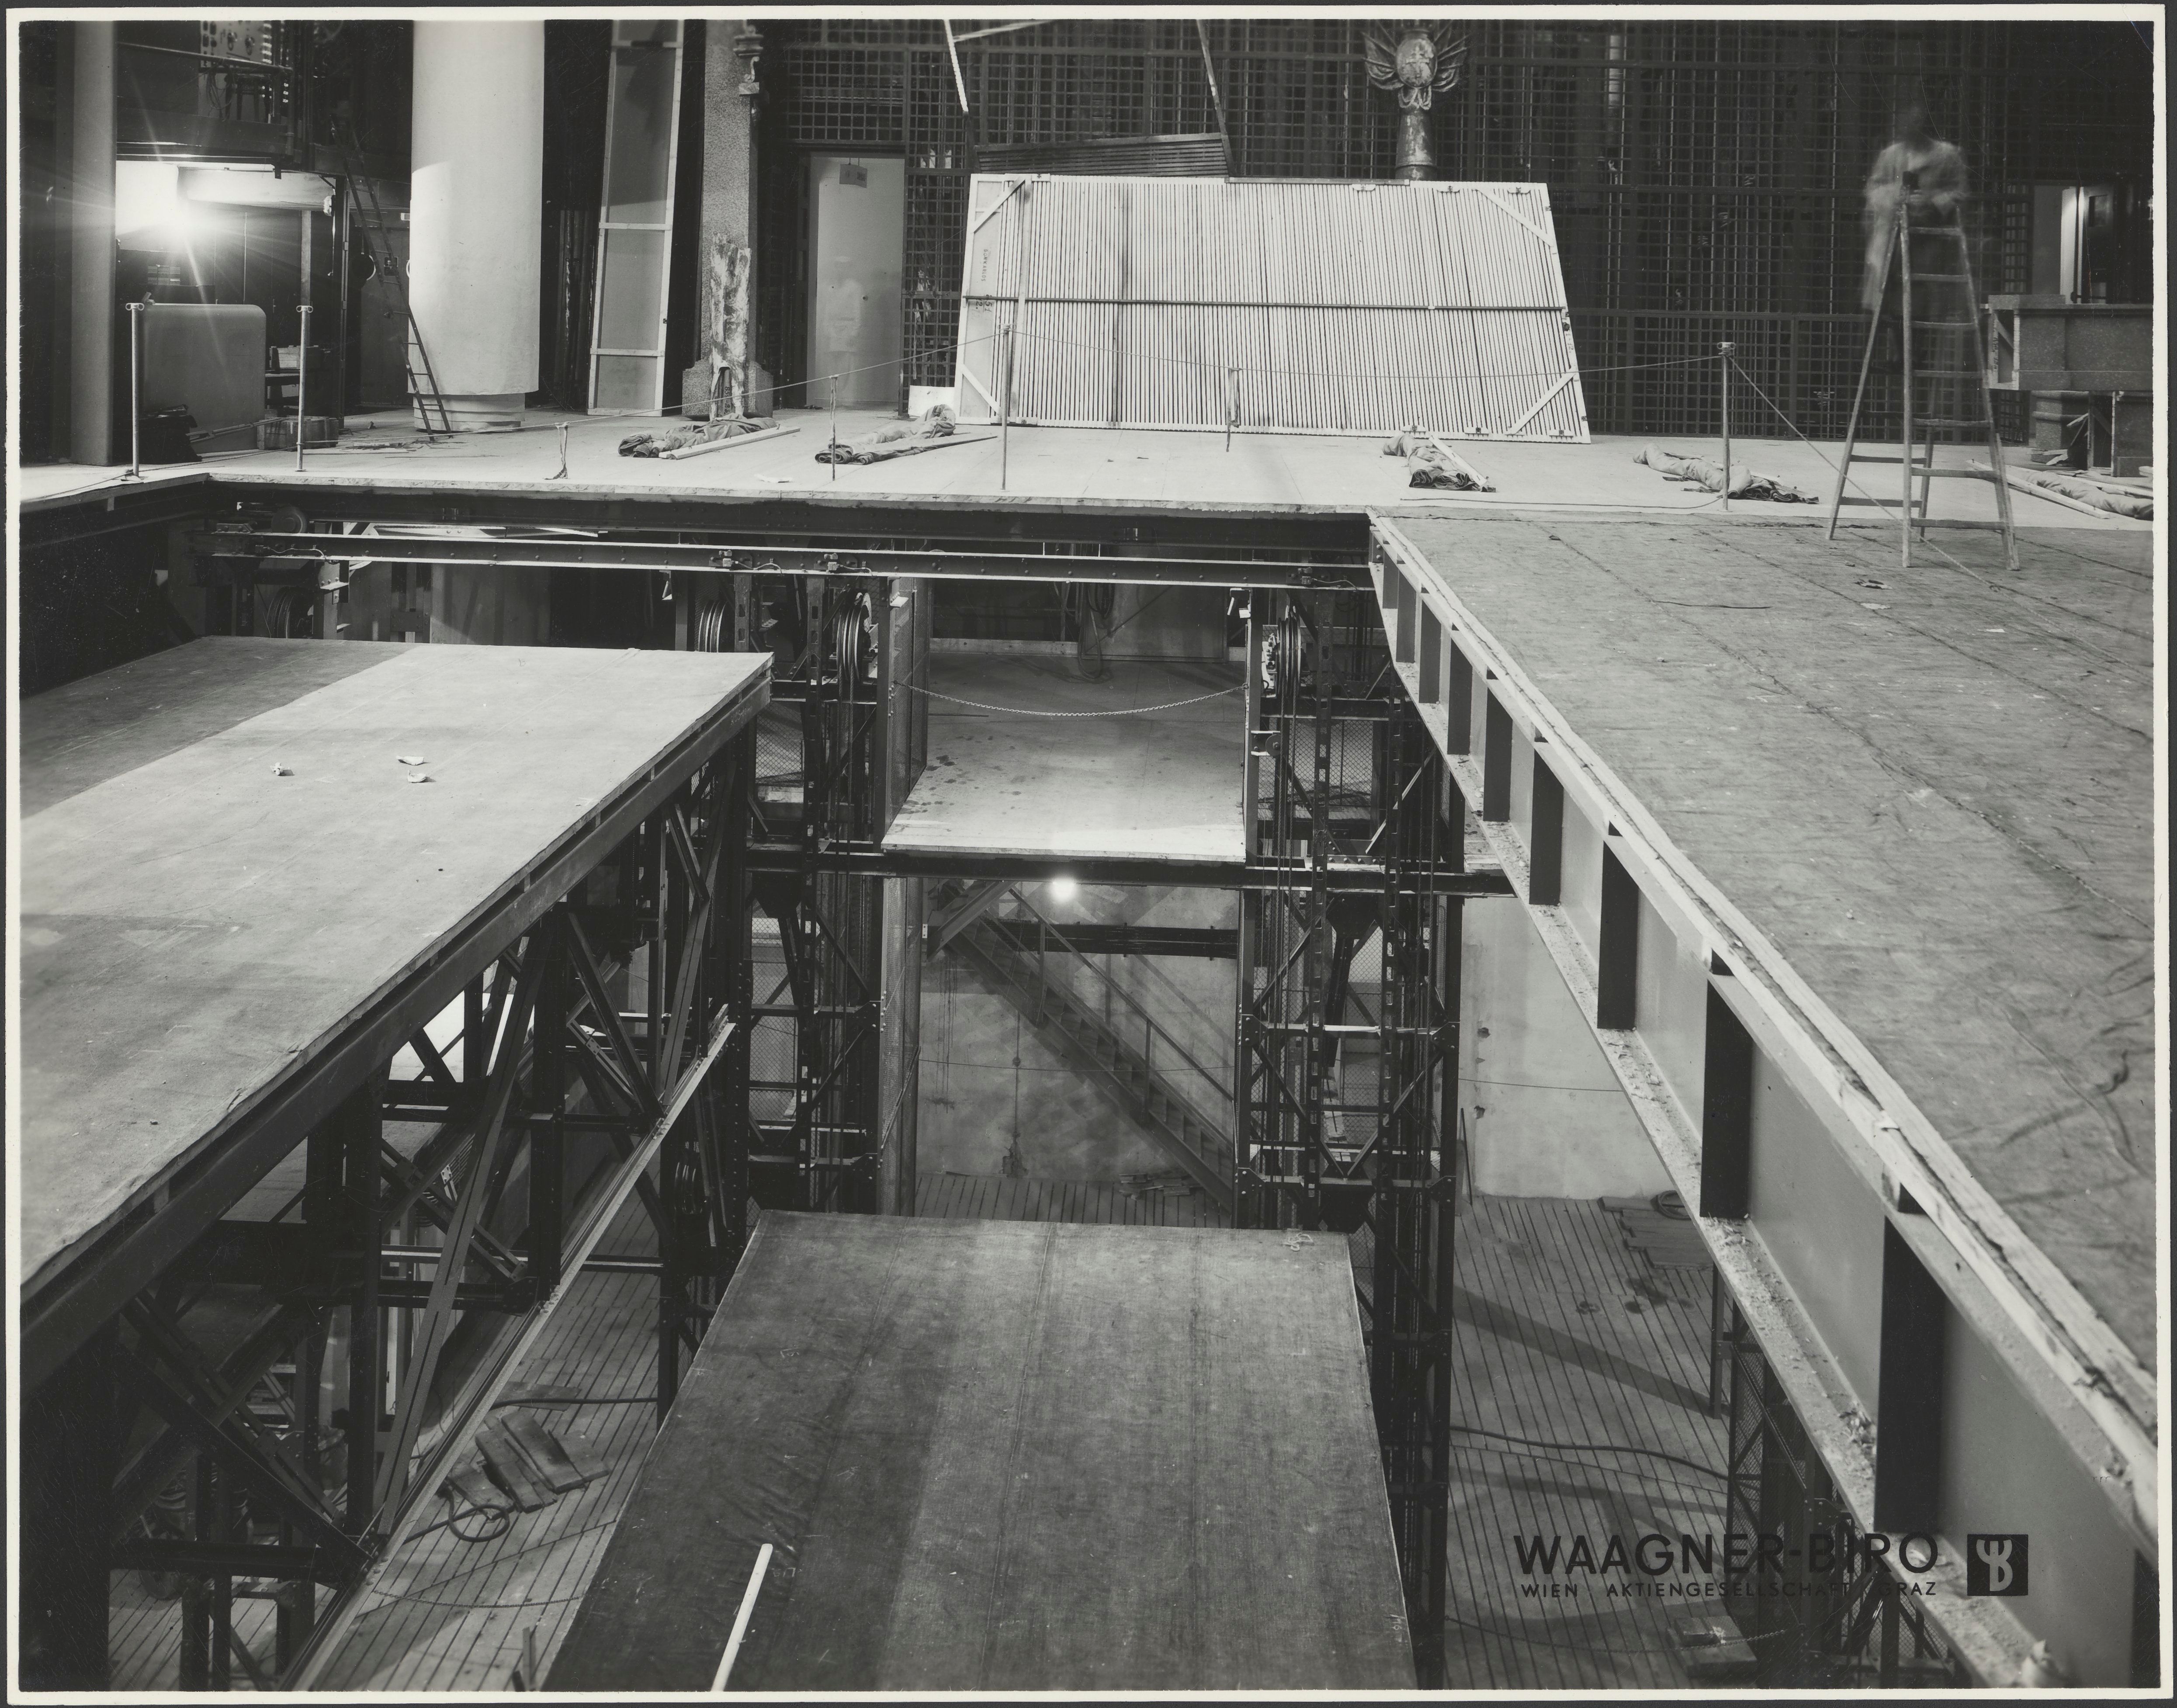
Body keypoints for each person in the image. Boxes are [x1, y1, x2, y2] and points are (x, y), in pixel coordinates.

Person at [1860, 100, 1969, 371]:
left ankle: (1913, 355)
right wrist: (1892, 196)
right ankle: (1889, 355)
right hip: (1891, 237)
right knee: (1887, 296)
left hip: (1927, 239)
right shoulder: (1891, 156)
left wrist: (1933, 202)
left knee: (1917, 299)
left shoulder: (1947, 155)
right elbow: (1873, 189)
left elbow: (1960, 193)